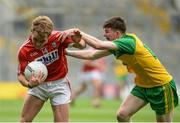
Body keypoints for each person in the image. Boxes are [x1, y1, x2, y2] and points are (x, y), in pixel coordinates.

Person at [65, 16, 179, 122]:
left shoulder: (128, 42)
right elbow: (91, 54)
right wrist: (67, 52)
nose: (105, 35)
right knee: (122, 115)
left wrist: (78, 32)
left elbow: (98, 45)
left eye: (107, 32)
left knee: (162, 122)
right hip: (143, 85)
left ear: (117, 32)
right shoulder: (117, 45)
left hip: (161, 85)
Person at [17, 15, 85, 122]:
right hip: (38, 87)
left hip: (59, 84)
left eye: (42, 40)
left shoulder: (59, 38)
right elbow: (20, 75)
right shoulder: (24, 50)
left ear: (49, 35)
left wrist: (78, 41)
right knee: (24, 121)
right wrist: (29, 84)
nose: (38, 44)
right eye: (35, 39)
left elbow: (82, 45)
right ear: (32, 31)